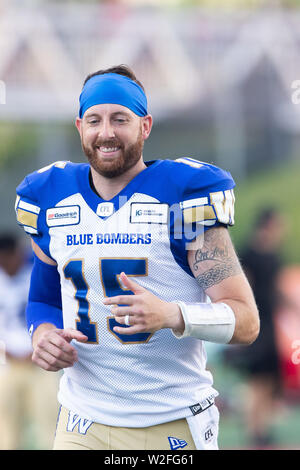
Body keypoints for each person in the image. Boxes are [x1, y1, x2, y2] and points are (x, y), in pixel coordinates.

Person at [15, 65, 259, 451]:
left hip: (171, 420)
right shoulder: (51, 199)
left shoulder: (181, 199)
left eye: (120, 119)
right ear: (80, 126)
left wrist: (173, 315)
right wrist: (43, 334)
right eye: (94, 119)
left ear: (145, 126)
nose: (106, 132)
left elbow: (246, 321)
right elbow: (43, 300)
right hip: (83, 420)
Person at [0, 233, 59, 449]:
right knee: (6, 430)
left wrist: (37, 349)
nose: (6, 262)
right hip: (7, 362)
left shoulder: (34, 274)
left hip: (40, 362)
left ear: (17, 253)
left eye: (9, 256)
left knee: (49, 423)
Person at [236, 208, 285, 448]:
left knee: (268, 380)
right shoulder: (248, 253)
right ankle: (253, 430)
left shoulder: (275, 256)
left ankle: (262, 429)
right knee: (256, 381)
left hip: (270, 325)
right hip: (254, 323)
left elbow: (277, 289)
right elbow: (242, 287)